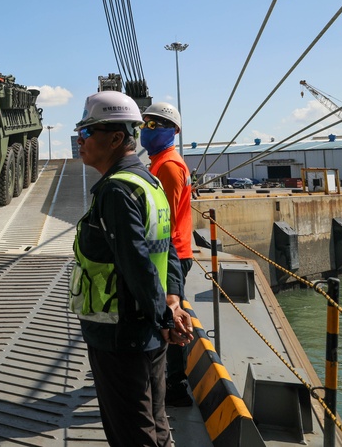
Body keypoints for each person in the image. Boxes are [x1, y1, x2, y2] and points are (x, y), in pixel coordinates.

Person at [70, 90, 192, 447]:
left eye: (87, 133)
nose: (81, 140)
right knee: (155, 423)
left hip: (119, 332)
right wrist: (171, 304)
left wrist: (165, 317)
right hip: (146, 330)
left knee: (133, 434)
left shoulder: (116, 191)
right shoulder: (148, 182)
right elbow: (167, 248)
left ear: (117, 138)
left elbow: (136, 262)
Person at [142, 101, 195, 407]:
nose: (146, 130)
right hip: (172, 250)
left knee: (170, 316)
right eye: (144, 124)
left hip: (172, 253)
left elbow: (166, 221)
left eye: (154, 125)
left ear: (172, 131)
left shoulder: (169, 167)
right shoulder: (160, 162)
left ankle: (175, 385)